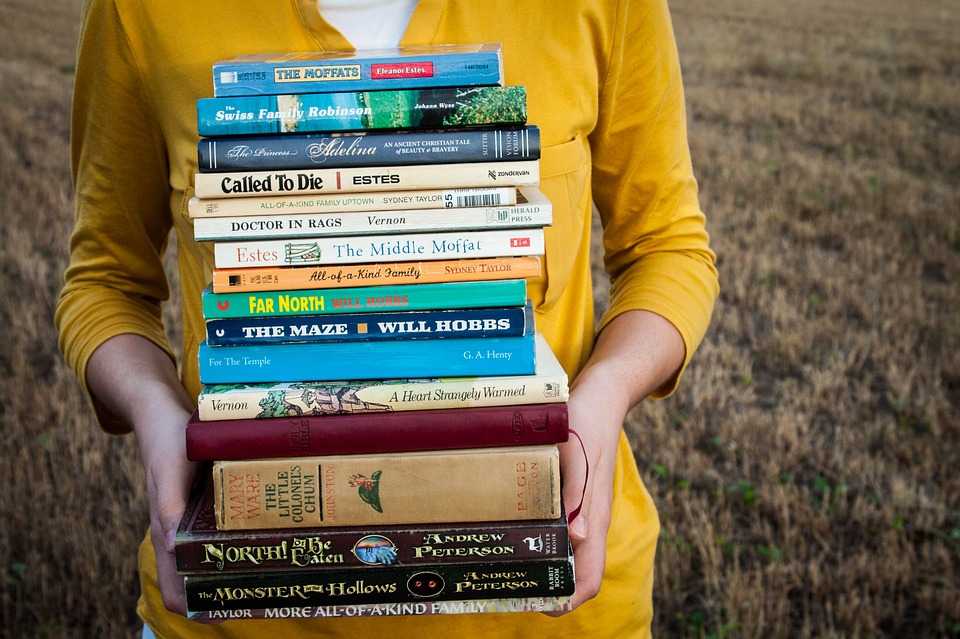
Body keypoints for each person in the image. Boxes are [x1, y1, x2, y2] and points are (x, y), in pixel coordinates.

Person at [56, 0, 718, 637]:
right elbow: (106, 281)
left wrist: (603, 395)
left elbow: (666, 249)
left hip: (549, 595)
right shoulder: (138, 8)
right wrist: (154, 407)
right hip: (245, 598)